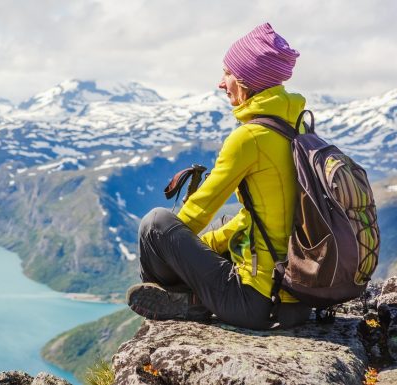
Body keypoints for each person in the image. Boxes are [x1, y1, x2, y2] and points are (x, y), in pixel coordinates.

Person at [126, 22, 312, 330]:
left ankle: (182, 301)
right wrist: (205, 247)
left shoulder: (249, 138)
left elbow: (197, 213)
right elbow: (262, 219)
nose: (221, 83)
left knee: (154, 225)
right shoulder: (299, 128)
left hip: (253, 301)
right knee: (225, 225)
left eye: (227, 74)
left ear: (246, 80)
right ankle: (188, 298)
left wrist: (176, 251)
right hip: (295, 301)